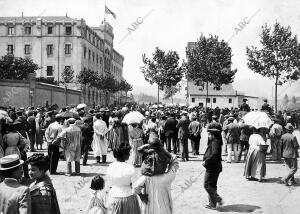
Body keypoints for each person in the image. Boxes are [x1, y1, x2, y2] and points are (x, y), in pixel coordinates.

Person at [133, 150, 179, 214]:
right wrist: (162, 150)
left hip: (149, 209)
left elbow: (135, 187)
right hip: (164, 210)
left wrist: (141, 196)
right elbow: (174, 161)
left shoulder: (146, 177)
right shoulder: (168, 176)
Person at [106, 144, 141, 214]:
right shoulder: (130, 167)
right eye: (128, 153)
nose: (129, 154)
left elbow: (109, 184)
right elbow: (135, 185)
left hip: (114, 197)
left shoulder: (110, 167)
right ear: (124, 155)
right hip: (129, 197)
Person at [203, 123, 224, 210]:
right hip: (216, 166)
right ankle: (212, 204)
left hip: (212, 167)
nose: (208, 136)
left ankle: (217, 199)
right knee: (212, 185)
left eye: (209, 134)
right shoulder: (216, 141)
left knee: (207, 185)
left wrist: (207, 161)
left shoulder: (215, 142)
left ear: (213, 135)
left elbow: (214, 154)